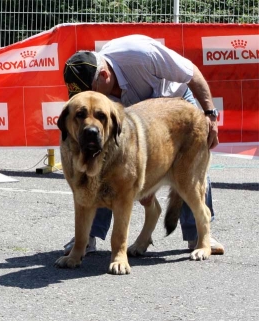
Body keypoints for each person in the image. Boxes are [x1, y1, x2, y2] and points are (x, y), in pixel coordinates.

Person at [61, 34, 224, 255]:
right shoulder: (98, 102)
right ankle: (88, 237)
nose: (88, 98)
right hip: (137, 118)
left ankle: (200, 234)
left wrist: (209, 114)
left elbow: (191, 72)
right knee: (104, 169)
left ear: (104, 76)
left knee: (189, 177)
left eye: (89, 91)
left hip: (175, 110)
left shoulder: (141, 55)